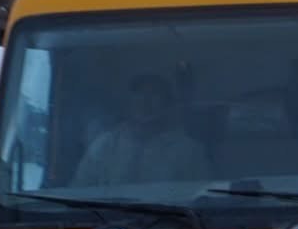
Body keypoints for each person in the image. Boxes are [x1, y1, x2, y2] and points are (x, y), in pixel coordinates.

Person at [73, 73, 210, 186]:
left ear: (168, 104)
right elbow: (79, 190)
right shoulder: (105, 145)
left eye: (154, 94)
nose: (145, 100)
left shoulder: (188, 150)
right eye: (139, 94)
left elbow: (199, 199)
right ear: (129, 101)